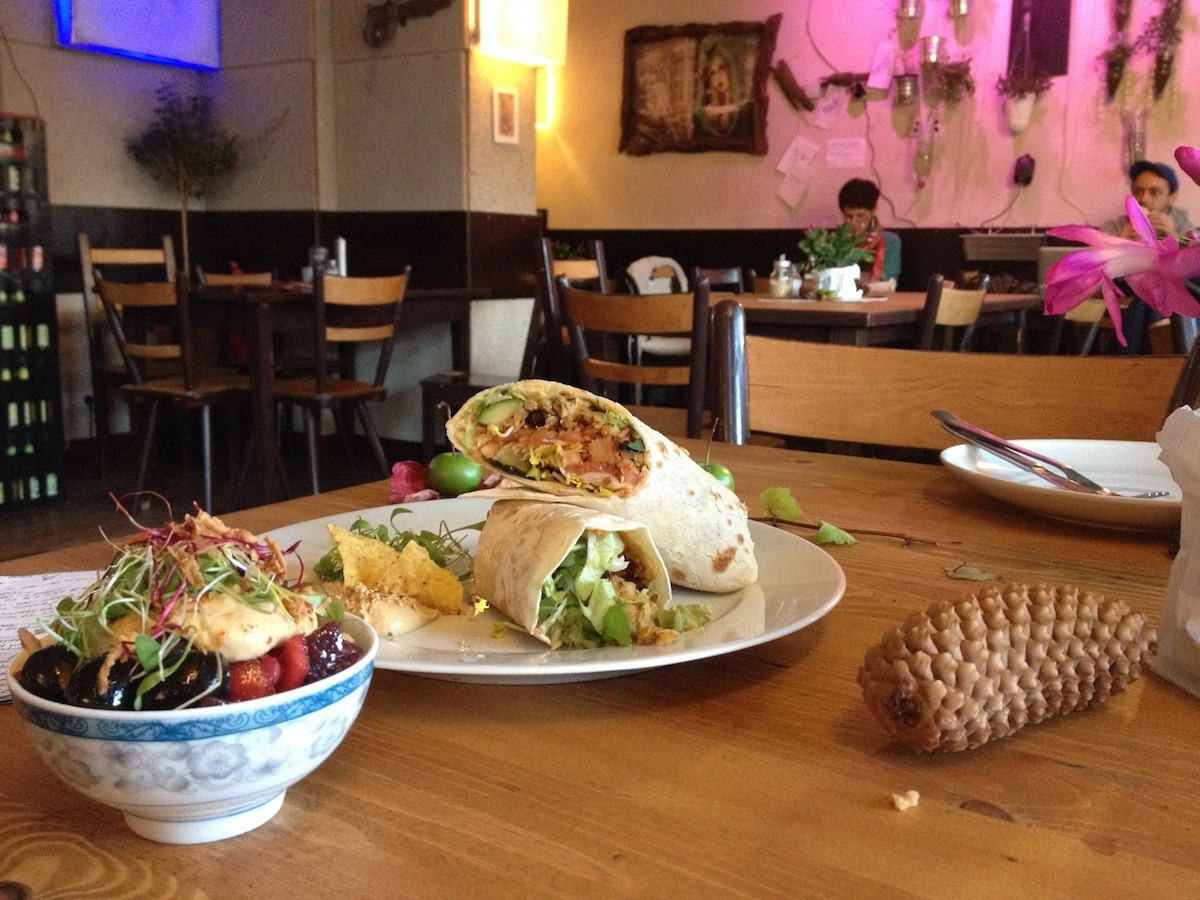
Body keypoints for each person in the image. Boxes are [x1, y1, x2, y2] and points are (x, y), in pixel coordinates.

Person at [1102, 160, 1196, 353]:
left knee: (1153, 300)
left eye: (1154, 192)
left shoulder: (1185, 229)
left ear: (1172, 197)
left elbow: (1192, 272)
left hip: (1167, 303)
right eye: (1138, 191)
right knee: (1152, 301)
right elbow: (1099, 271)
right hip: (1127, 298)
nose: (1143, 199)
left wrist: (1174, 237)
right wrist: (1121, 246)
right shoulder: (1114, 228)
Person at [837, 178, 901, 286]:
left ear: (873, 210)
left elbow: (890, 283)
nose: (853, 222)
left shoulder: (890, 241)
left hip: (877, 296)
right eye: (848, 216)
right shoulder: (834, 241)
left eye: (860, 215)